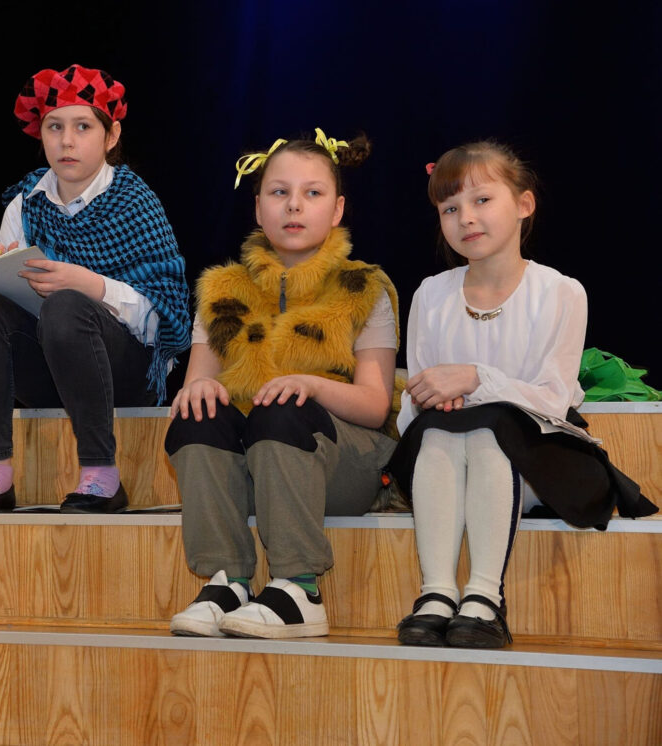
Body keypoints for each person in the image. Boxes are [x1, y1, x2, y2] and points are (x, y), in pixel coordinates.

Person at [390, 141, 656, 649]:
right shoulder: (430, 294)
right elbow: (416, 401)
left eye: (482, 200)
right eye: (450, 208)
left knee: (490, 432)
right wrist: (433, 400)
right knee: (443, 432)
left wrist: (475, 379)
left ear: (524, 204)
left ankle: (485, 596)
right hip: (447, 460)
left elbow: (552, 401)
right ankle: (437, 593)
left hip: (541, 458)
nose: (466, 218)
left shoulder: (560, 291)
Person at [166, 130, 400, 639]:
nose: (294, 205)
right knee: (197, 413)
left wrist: (312, 385)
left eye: (312, 193)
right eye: (279, 192)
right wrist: (197, 389)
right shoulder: (221, 290)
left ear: (337, 209)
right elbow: (196, 382)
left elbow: (374, 405)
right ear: (258, 207)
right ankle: (228, 582)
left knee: (282, 409)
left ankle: (300, 589)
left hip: (339, 464)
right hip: (254, 469)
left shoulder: (364, 287)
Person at [0, 64, 190, 514]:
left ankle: (102, 476)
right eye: (54, 127)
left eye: (83, 127)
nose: (66, 141)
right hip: (51, 368)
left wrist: (89, 284)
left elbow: (168, 321)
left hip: (125, 373)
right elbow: (9, 307)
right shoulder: (26, 201)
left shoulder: (135, 201)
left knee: (66, 305)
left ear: (111, 136)